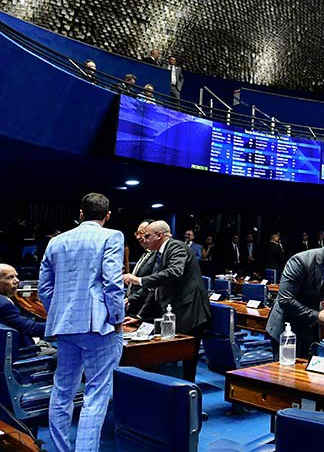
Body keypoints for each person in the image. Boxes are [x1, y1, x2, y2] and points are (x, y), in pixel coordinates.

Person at [39, 192, 125, 452]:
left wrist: (61, 311)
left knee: (62, 390)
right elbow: (112, 282)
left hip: (64, 326)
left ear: (80, 214)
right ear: (107, 215)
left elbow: (45, 289)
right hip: (99, 326)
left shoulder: (56, 242)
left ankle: (61, 448)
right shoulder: (112, 235)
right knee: (96, 395)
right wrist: (117, 319)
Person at [121, 220, 211, 381]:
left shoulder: (176, 247)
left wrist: (139, 280)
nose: (144, 239)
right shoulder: (160, 253)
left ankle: (188, 397)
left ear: (159, 235)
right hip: (176, 310)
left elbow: (175, 272)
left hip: (190, 311)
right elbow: (155, 288)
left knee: (188, 359)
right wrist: (140, 317)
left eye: (147, 236)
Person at [264, 233, 324, 359]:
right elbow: (285, 299)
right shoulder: (300, 261)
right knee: (285, 375)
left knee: (306, 373)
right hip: (287, 327)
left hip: (310, 329)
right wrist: (317, 315)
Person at [0, 263, 46, 347]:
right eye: (10, 277)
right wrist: (57, 326)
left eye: (16, 276)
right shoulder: (4, 305)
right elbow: (32, 329)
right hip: (18, 353)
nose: (17, 281)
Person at [127, 219, 156, 303]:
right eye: (137, 233)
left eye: (141, 233)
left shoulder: (157, 255)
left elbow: (152, 284)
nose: (138, 237)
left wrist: (131, 299)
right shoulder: (145, 254)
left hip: (145, 305)